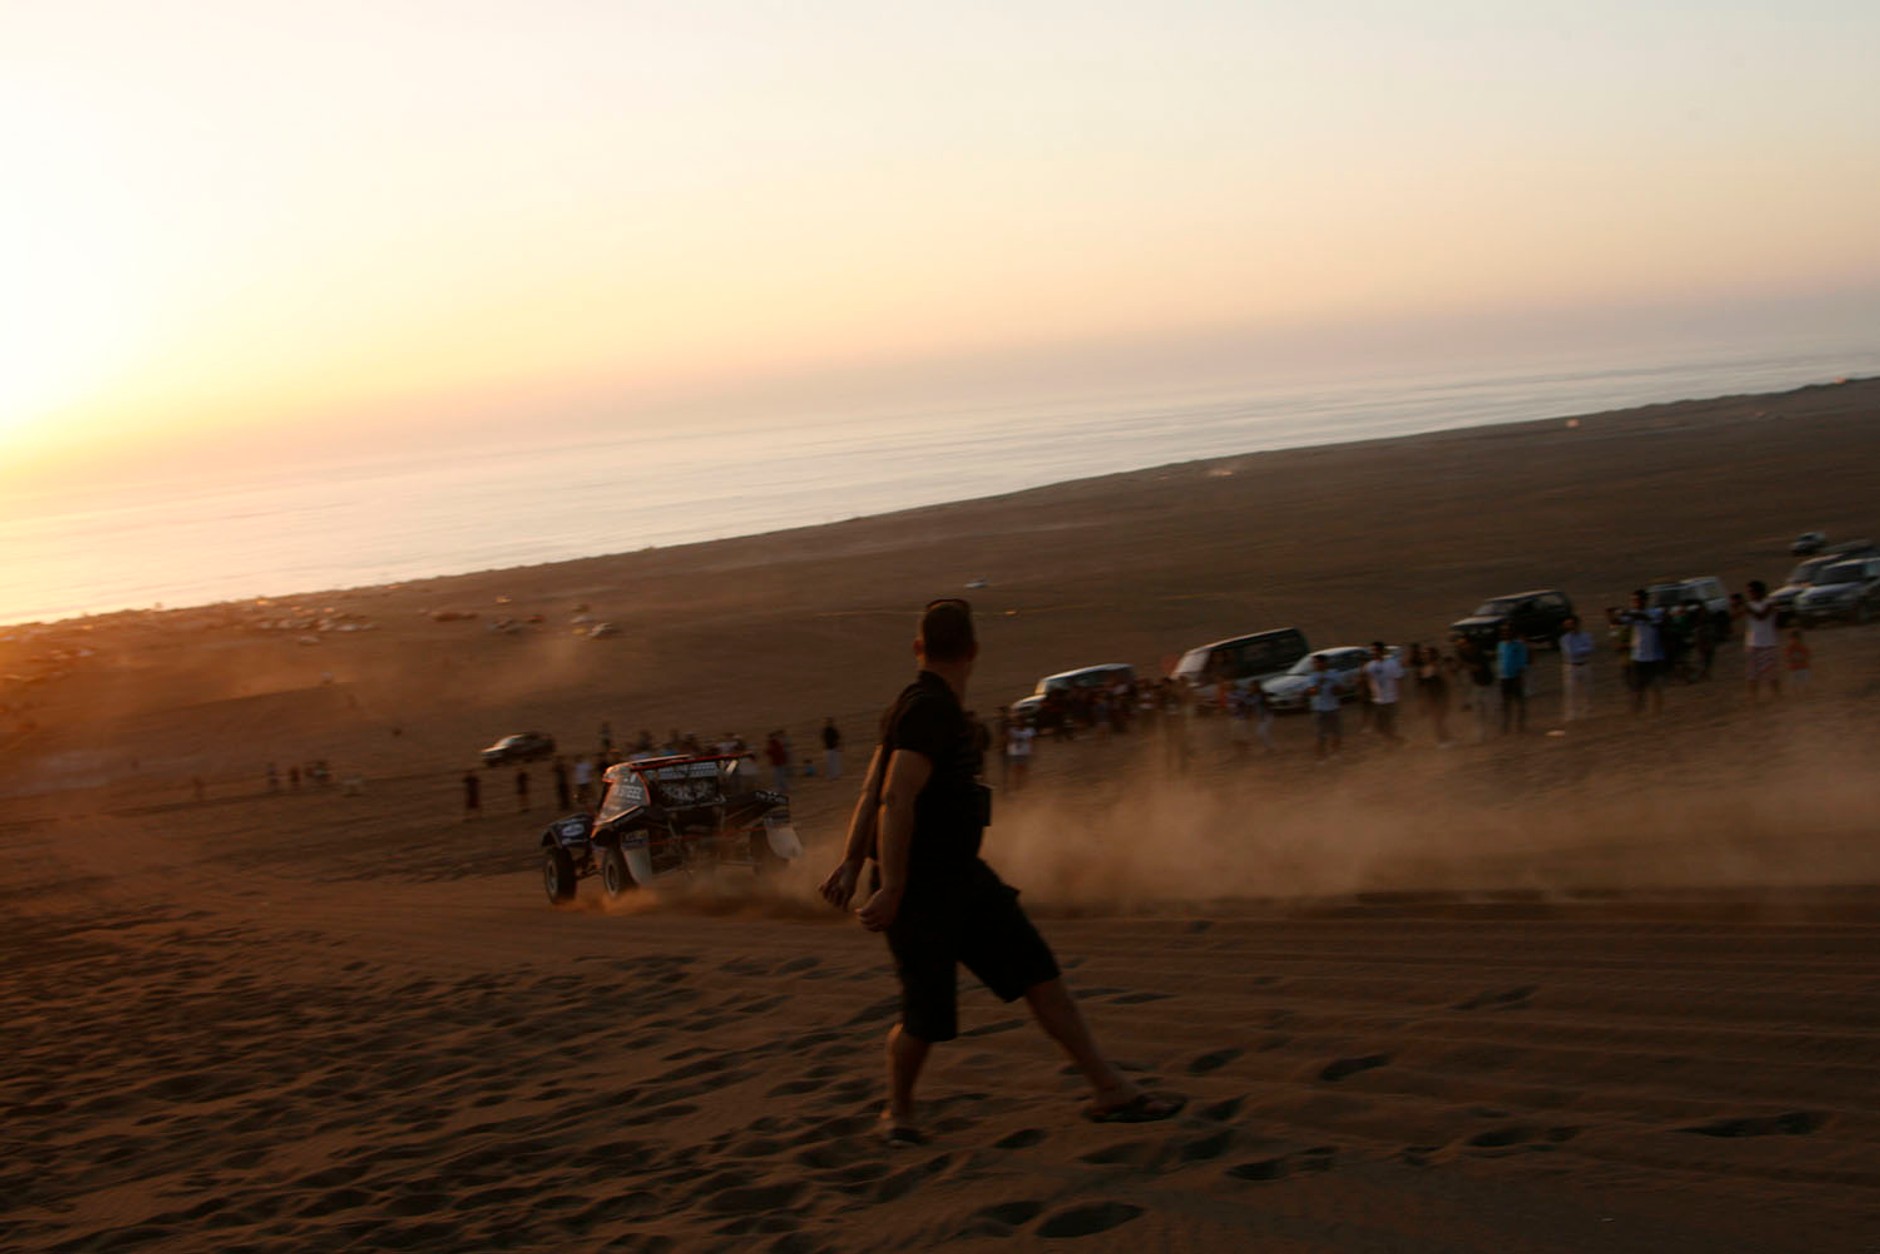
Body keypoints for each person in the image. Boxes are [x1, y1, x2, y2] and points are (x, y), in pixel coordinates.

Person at [818, 599, 1182, 1145]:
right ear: (973, 651)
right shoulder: (927, 711)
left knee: (1039, 973)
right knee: (927, 1014)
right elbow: (894, 796)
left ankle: (1109, 1090)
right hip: (921, 891)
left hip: (964, 879)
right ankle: (897, 1113)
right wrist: (890, 885)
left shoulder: (914, 706)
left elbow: (871, 789)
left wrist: (851, 862)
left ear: (919, 648)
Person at [1611, 591, 1667, 715]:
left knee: (1656, 686)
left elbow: (1646, 618)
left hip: (1654, 656)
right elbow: (1618, 621)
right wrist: (1616, 615)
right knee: (1637, 687)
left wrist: (1629, 614)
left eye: (1636, 600)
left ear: (1644, 601)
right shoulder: (1633, 615)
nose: (1634, 603)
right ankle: (1636, 711)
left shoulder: (1654, 612)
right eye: (1633, 601)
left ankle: (1657, 711)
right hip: (1638, 656)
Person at [1739, 580, 1782, 701]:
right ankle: (1754, 698)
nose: (1750, 594)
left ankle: (1777, 696)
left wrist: (1747, 608)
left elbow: (1762, 616)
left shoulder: (1769, 603)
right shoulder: (1749, 606)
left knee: (1771, 672)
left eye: (1751, 591)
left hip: (1768, 642)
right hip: (1753, 643)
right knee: (1752, 673)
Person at [1456, 634, 1497, 742]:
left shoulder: (1479, 653)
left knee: (1491, 712)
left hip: (1488, 685)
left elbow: (1477, 668)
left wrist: (1463, 664)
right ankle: (1481, 734)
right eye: (1461, 644)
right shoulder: (1463, 654)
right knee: (1478, 712)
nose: (1462, 646)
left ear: (1471, 643)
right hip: (1477, 685)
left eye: (1464, 643)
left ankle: (1494, 731)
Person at [1362, 642, 1404, 745]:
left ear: (1381, 651)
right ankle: (1396, 740)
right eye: (1372, 650)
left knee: (1388, 723)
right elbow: (1368, 680)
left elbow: (1398, 680)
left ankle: (1393, 743)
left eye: (1375, 650)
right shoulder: (1370, 666)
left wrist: (1399, 696)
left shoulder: (1392, 663)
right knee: (1379, 726)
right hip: (1379, 700)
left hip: (1391, 699)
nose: (1373, 652)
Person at [1410, 643, 1452, 746]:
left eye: (1426, 654)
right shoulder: (1424, 668)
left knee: (1438, 720)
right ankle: (1444, 740)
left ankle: (1444, 740)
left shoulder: (1438, 666)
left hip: (1440, 697)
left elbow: (1446, 681)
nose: (1424, 656)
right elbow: (1421, 686)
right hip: (1431, 698)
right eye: (1423, 654)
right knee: (1436, 720)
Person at [1558, 615, 1597, 721]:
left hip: (1584, 664)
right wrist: (1583, 649)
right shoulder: (1565, 639)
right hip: (1571, 666)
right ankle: (1571, 714)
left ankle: (1588, 712)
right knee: (1571, 691)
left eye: (1571, 624)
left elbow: (1591, 648)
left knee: (1588, 690)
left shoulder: (1586, 636)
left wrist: (1580, 650)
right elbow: (1571, 653)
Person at [1307, 653, 1342, 760]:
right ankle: (1321, 756)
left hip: (1333, 707)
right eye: (1314, 663)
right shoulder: (1312, 677)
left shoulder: (1334, 674)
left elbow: (1340, 689)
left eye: (1316, 662)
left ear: (1323, 663)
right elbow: (1312, 692)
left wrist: (1335, 687)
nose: (1314, 665)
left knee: (1336, 733)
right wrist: (1319, 684)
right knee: (1320, 735)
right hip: (1319, 709)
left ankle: (1335, 753)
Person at [1496, 624, 1530, 734]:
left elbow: (1522, 662)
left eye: (1508, 631)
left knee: (1519, 702)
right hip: (1504, 677)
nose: (1505, 633)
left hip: (1516, 676)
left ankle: (1520, 725)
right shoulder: (1500, 645)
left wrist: (1520, 676)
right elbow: (1500, 660)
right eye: (1503, 632)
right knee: (1506, 703)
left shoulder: (1519, 645)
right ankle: (1505, 726)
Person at [1005, 716, 1034, 791]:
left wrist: (1031, 750)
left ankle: (1025, 782)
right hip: (1015, 752)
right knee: (1016, 768)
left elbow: (1030, 741)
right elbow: (1009, 740)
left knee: (1023, 767)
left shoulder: (1028, 730)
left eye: (1020, 721)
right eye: (1017, 722)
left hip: (1024, 752)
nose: (1018, 723)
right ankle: (1017, 783)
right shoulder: (1012, 731)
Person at [1785, 628, 1812, 693]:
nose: (1793, 641)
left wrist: (1800, 658)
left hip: (1803, 667)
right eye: (1791, 639)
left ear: (1799, 639)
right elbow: (1788, 657)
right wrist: (1792, 659)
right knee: (1793, 683)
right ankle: (1796, 693)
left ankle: (1806, 691)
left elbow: (1807, 656)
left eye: (1794, 639)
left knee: (1805, 681)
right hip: (1794, 668)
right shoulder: (1789, 648)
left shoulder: (1802, 647)